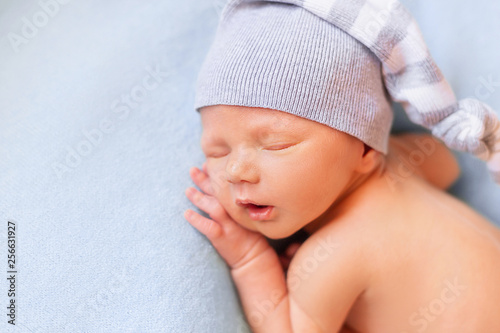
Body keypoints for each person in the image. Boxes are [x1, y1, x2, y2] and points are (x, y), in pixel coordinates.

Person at [184, 0, 500, 332]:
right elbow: (448, 164)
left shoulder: (331, 257)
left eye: (276, 145)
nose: (235, 171)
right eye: (217, 151)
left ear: (364, 148)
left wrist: (251, 260)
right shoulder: (404, 163)